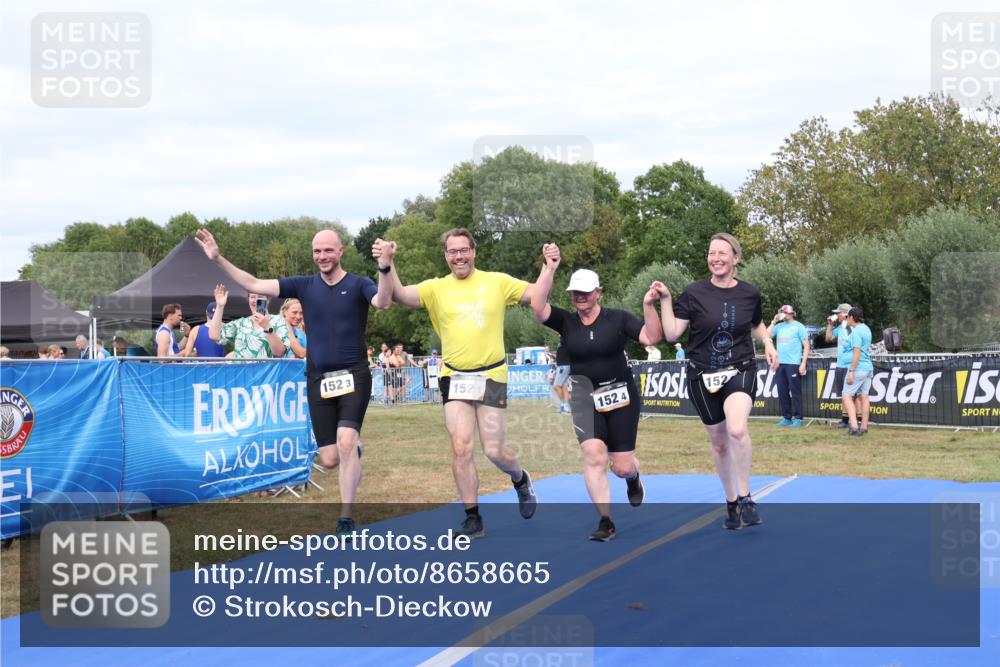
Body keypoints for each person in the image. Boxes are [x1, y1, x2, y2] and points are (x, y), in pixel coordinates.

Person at [196, 228, 391, 536]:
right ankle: (351, 455)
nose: (322, 256)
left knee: (345, 441)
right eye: (317, 251)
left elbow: (382, 301)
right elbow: (253, 283)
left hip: (354, 374)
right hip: (317, 379)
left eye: (328, 250)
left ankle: (345, 519)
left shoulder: (358, 284)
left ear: (341, 252)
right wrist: (218, 258)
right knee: (329, 459)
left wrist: (385, 267)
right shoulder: (304, 285)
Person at [372, 228, 538, 538]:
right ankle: (472, 516)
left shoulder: (497, 282)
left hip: (491, 374)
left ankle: (519, 478)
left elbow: (535, 294)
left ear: (474, 252)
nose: (458, 256)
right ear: (446, 256)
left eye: (464, 250)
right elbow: (399, 295)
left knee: (494, 450)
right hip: (455, 376)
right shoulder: (436, 288)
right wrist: (388, 261)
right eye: (452, 251)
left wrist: (550, 268)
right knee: (461, 447)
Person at [531, 246, 663, 541]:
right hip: (584, 397)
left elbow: (652, 337)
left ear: (598, 293)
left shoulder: (617, 319)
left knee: (622, 466)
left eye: (586, 292)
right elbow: (538, 307)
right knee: (593, 456)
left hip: (621, 394)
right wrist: (549, 267)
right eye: (575, 292)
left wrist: (649, 306)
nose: (580, 297)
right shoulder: (566, 322)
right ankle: (606, 521)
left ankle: (634, 478)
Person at [654, 232, 779, 531]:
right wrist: (666, 301)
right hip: (701, 374)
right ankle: (731, 502)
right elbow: (672, 334)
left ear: (736, 258)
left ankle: (747, 496)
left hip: (740, 368)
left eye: (723, 253)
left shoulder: (750, 293)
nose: (716, 258)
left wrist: (768, 343)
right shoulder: (693, 293)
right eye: (712, 253)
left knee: (737, 429)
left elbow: (756, 323)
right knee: (720, 442)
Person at [207, 290, 290, 359]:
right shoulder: (241, 323)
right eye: (252, 297)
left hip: (267, 377)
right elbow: (214, 335)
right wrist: (219, 306)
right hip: (242, 375)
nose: (256, 300)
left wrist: (267, 327)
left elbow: (279, 353)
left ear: (268, 300)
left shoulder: (278, 321)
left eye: (260, 297)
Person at [767, 304, 810, 427]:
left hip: (793, 364)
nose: (783, 314)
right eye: (782, 312)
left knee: (795, 391)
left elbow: (806, 345)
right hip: (780, 364)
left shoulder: (799, 326)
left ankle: (799, 418)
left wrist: (803, 363)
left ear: (791, 313)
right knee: (782, 391)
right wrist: (773, 322)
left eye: (785, 312)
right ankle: (787, 418)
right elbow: (766, 335)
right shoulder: (779, 326)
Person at [843, 307, 874, 436]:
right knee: (864, 397)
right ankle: (864, 427)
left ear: (851, 317)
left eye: (847, 317)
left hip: (859, 368)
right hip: (868, 367)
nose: (846, 319)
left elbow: (857, 352)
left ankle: (854, 426)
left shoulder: (856, 332)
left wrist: (851, 371)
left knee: (846, 396)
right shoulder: (866, 329)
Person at [825, 303, 853, 429]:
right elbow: (828, 338)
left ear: (845, 314)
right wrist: (830, 325)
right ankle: (844, 420)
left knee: (852, 395)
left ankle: (854, 420)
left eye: (838, 313)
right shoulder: (841, 327)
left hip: (850, 364)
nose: (837, 315)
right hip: (840, 364)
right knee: (843, 394)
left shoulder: (852, 328)